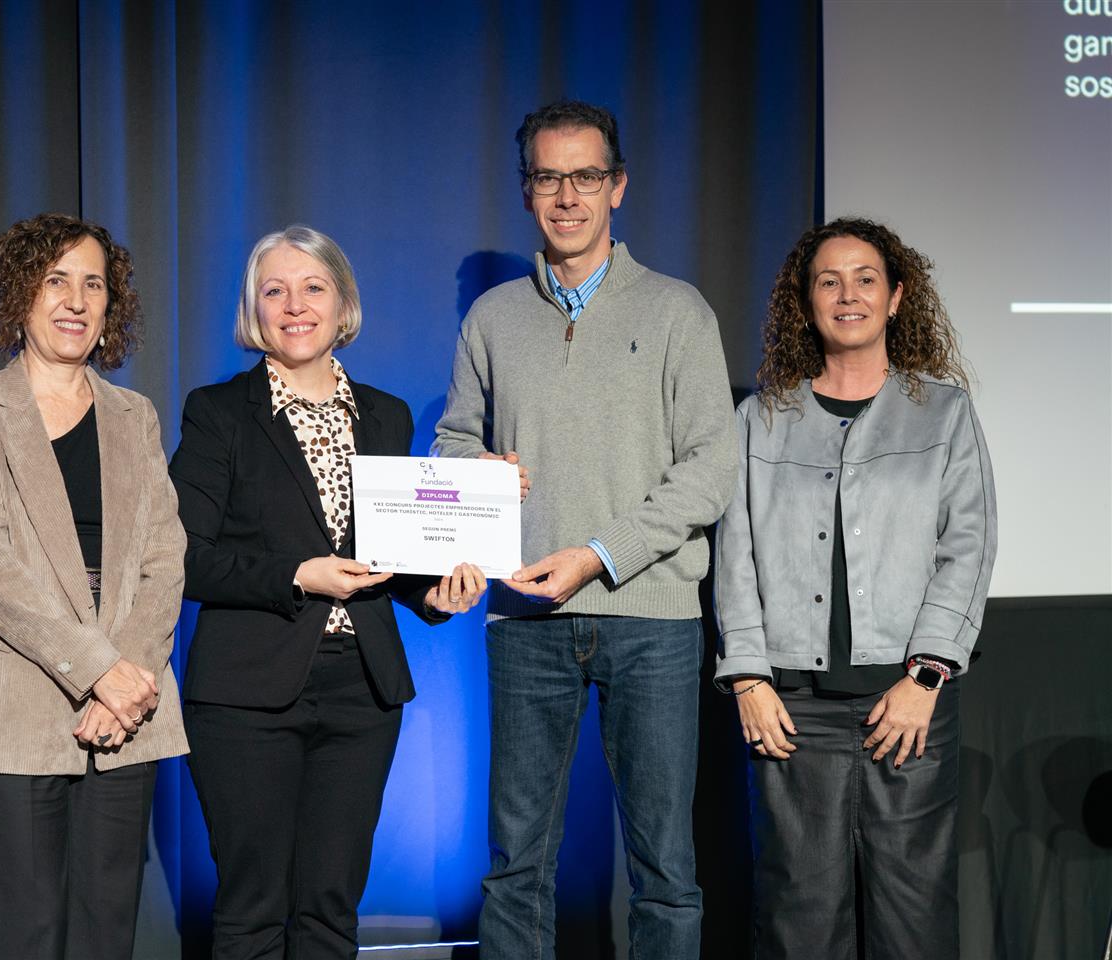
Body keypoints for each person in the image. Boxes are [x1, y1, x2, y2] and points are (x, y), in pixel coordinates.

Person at [434, 99, 738, 959]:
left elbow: (712, 468)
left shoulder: (679, 312)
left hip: (655, 620)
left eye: (586, 176)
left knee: (665, 868)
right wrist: (474, 474)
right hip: (526, 616)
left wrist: (601, 556)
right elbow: (456, 437)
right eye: (548, 177)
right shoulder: (492, 316)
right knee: (516, 864)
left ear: (618, 187)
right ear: (527, 190)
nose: (567, 195)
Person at [169, 224, 486, 960]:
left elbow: (392, 558)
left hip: (362, 694)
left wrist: (438, 592)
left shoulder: (385, 414)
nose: (294, 305)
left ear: (343, 302)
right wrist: (296, 575)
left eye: (313, 287)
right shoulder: (218, 413)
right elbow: (182, 557)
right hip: (247, 694)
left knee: (331, 909)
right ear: (254, 310)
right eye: (273, 290)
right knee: (252, 909)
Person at [714, 217, 997, 958]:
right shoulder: (761, 420)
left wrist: (926, 677)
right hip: (791, 710)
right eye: (829, 281)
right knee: (797, 916)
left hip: (907, 705)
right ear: (805, 302)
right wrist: (747, 677)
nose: (849, 295)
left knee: (913, 915)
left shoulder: (944, 412)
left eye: (866, 279)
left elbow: (967, 547)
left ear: (898, 296)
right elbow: (734, 555)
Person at [0, 213, 187, 960]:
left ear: (112, 306)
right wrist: (98, 670)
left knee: (105, 937)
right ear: (20, 295)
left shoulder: (133, 415)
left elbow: (164, 557)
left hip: (125, 715)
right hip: (11, 705)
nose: (76, 299)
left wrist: (129, 679)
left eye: (93, 284)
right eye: (55, 280)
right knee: (21, 938)